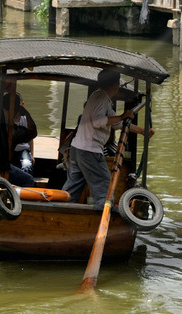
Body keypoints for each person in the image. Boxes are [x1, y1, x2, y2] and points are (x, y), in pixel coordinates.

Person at [62, 69, 153, 209]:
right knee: (104, 186)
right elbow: (98, 122)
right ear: (116, 84)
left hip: (78, 149)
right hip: (89, 151)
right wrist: (123, 116)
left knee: (71, 189)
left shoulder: (101, 98)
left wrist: (142, 131)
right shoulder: (101, 98)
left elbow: (117, 123)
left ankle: (60, 211)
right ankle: (106, 219)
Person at [0, 78, 37, 188]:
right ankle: (21, 203)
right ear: (14, 109)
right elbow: (32, 131)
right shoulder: (8, 129)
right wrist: (22, 109)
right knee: (29, 180)